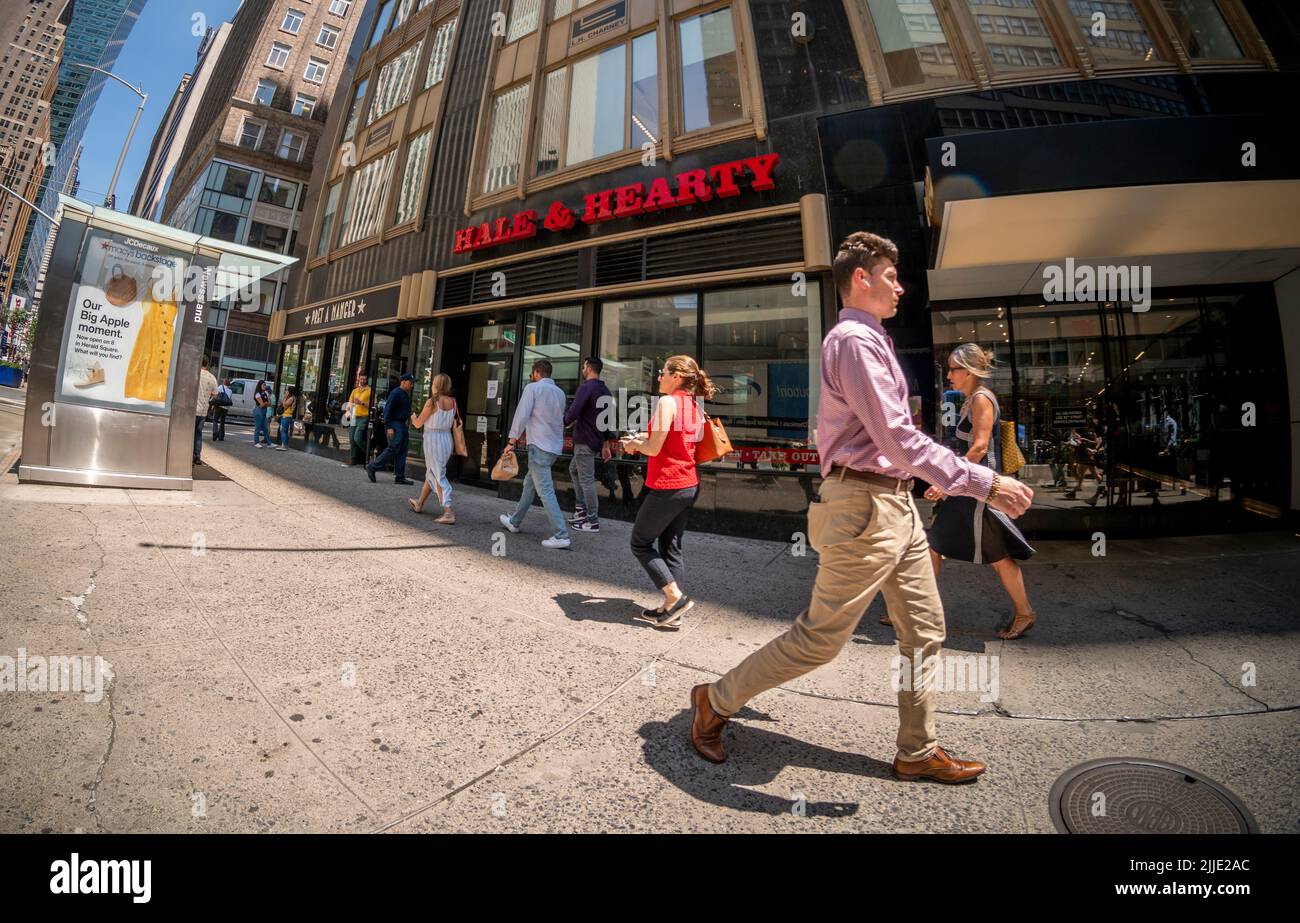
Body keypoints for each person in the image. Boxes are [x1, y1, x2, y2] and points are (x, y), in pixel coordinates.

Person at [687, 231, 1033, 783]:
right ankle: (713, 699)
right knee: (820, 640)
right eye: (892, 277)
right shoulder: (853, 341)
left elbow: (894, 442)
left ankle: (917, 751)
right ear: (861, 278)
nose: (901, 287)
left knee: (924, 630)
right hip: (863, 504)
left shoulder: (872, 341)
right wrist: (985, 483)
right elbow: (896, 439)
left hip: (894, 505)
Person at [920, 344, 1038, 640]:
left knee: (993, 555)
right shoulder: (972, 399)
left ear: (969, 370)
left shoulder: (981, 399)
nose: (948, 375)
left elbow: (980, 448)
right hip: (971, 488)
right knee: (937, 546)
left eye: (953, 369)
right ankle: (917, 613)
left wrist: (946, 482)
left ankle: (1025, 613)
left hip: (976, 490)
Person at [621, 355, 712, 630]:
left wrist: (633, 444)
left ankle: (675, 597)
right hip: (689, 484)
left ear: (676, 376)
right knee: (671, 547)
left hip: (668, 484)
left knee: (640, 542)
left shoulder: (667, 402)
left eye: (663, 373)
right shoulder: (694, 406)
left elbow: (654, 448)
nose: (659, 377)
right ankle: (671, 608)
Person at [498, 359, 570, 549]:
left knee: (545, 491)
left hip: (539, 446)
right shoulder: (560, 393)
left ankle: (561, 534)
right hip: (554, 447)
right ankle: (514, 521)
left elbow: (521, 415)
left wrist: (511, 441)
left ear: (536, 373)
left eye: (532, 374)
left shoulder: (533, 388)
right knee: (529, 484)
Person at [564, 357, 617, 533]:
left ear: (588, 368)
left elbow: (574, 410)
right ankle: (581, 509)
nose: (582, 369)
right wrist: (606, 444)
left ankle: (592, 520)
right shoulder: (605, 390)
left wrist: (564, 421)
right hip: (595, 441)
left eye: (583, 366)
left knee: (586, 480)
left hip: (585, 440)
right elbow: (607, 421)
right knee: (574, 469)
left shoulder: (586, 387)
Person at [409, 373, 458, 524]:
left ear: (436, 385)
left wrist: (412, 417)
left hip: (433, 440)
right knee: (433, 472)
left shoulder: (432, 401)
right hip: (446, 439)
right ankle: (420, 503)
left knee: (438, 475)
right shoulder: (453, 402)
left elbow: (418, 423)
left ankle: (448, 511)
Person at [366, 373, 414, 484]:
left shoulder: (404, 394)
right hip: (395, 424)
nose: (411, 385)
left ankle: (400, 477)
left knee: (402, 450)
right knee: (393, 448)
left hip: (402, 424)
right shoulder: (396, 393)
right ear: (404, 382)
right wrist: (389, 427)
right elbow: (387, 410)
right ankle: (372, 467)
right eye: (410, 383)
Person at [343, 372, 371, 467]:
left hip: (363, 417)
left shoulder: (370, 390)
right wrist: (347, 412)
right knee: (351, 439)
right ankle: (352, 460)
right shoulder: (355, 391)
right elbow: (350, 403)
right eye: (361, 379)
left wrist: (362, 403)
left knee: (357, 438)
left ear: (367, 380)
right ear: (359, 379)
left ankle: (368, 453)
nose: (362, 380)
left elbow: (372, 406)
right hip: (354, 417)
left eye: (364, 379)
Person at [194, 357, 218, 466]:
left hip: (193, 408)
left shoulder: (195, 373)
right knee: (198, 433)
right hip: (203, 410)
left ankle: (188, 455)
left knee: (189, 433)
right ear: (207, 364)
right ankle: (197, 456)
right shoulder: (212, 377)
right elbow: (215, 394)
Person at [251, 380, 274, 447]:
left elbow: (270, 404)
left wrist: (266, 403)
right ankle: (256, 442)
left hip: (264, 411)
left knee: (265, 428)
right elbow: (262, 404)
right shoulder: (257, 394)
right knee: (258, 427)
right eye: (263, 385)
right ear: (260, 385)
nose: (265, 386)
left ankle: (269, 443)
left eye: (265, 385)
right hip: (258, 410)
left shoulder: (266, 392)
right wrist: (266, 403)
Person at [276, 387, 297, 451]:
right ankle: (285, 445)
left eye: (287, 390)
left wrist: (284, 398)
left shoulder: (291, 398)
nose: (286, 391)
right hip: (286, 416)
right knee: (284, 431)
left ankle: (284, 445)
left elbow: (284, 405)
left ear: (290, 391)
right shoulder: (292, 398)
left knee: (283, 431)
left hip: (286, 416)